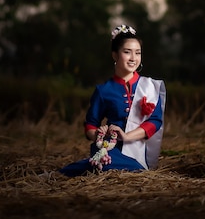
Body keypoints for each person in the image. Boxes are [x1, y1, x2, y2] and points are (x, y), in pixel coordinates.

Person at [59, 24, 166, 177]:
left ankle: (68, 171)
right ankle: (66, 172)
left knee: (135, 169)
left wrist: (127, 136)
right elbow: (90, 125)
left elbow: (155, 121)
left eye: (138, 53)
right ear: (115, 55)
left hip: (138, 148)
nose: (133, 58)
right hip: (109, 147)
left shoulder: (149, 87)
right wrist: (99, 133)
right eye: (127, 52)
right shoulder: (103, 90)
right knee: (107, 161)